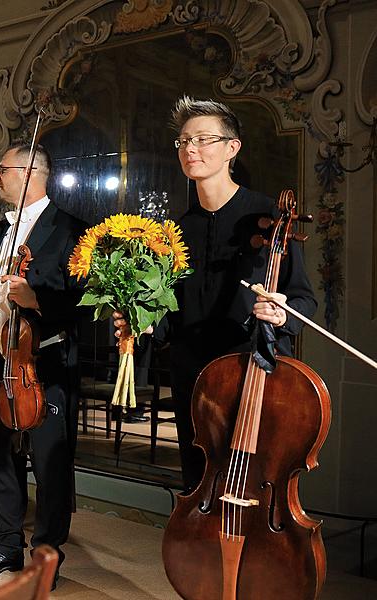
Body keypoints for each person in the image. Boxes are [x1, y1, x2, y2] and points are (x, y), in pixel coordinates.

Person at [114, 96, 316, 492]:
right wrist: (145, 322)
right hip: (194, 379)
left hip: (253, 374)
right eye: (184, 142)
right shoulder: (176, 229)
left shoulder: (270, 215)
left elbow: (304, 300)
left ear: (231, 148)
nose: (191, 149)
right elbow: (174, 316)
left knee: (256, 484)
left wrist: (282, 314)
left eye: (203, 139)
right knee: (198, 479)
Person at [0, 143, 85, 589]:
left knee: (51, 464)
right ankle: (6, 546)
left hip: (43, 359)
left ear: (31, 171)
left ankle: (46, 556)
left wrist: (38, 300)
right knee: (1, 455)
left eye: (2, 170)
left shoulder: (72, 230)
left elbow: (86, 304)